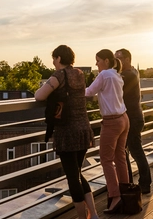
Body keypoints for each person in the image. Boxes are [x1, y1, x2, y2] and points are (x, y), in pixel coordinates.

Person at [35, 45, 98, 219]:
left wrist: (39, 89)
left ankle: (81, 216)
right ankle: (93, 213)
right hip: (83, 128)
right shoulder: (79, 74)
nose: (53, 62)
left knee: (72, 177)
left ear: (59, 59)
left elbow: (39, 96)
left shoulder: (58, 76)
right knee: (77, 173)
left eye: (54, 59)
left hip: (67, 132)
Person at [85, 49, 130, 214]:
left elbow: (89, 92)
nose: (96, 64)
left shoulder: (104, 75)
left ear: (105, 60)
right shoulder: (117, 75)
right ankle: (125, 193)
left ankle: (115, 197)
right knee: (120, 158)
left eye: (97, 60)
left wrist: (72, 93)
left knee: (105, 160)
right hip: (124, 119)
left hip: (112, 122)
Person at [115, 48, 152, 194]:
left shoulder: (127, 75)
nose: (116, 62)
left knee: (132, 151)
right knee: (129, 150)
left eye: (118, 58)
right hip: (134, 116)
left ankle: (140, 184)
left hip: (132, 118)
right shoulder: (134, 72)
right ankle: (134, 182)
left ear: (127, 59)